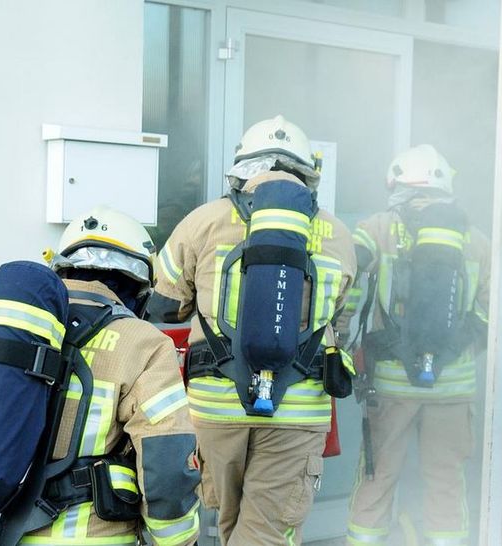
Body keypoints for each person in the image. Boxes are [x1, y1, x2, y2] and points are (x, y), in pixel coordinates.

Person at [0, 205, 200, 546]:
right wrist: (176, 540)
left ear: (62, 268)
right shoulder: (145, 343)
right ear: (140, 285)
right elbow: (167, 463)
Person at [154, 114, 357, 545]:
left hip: (215, 406)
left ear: (242, 165)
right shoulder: (339, 235)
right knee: (265, 532)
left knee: (232, 525)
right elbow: (339, 316)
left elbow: (166, 306)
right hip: (297, 411)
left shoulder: (203, 221)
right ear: (308, 172)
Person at [346, 145, 490, 546]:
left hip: (392, 385)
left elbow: (347, 281)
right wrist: (454, 352)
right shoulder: (476, 240)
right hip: (453, 387)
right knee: (446, 481)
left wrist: (339, 340)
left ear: (398, 184)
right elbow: (493, 311)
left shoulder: (378, 228)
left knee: (377, 476)